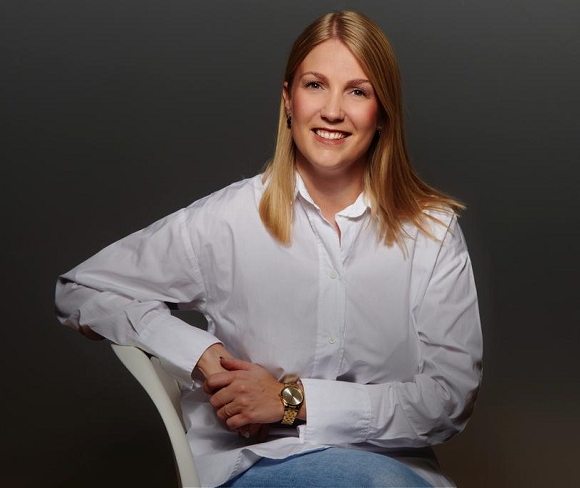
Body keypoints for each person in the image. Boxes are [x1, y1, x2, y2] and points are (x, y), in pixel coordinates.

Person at [55, 10, 482, 487]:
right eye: (315, 85)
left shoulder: (432, 232)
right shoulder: (227, 220)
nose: (333, 110)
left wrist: (290, 400)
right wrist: (200, 353)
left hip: (397, 467)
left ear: (382, 112)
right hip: (261, 460)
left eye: (357, 91)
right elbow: (80, 290)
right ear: (288, 100)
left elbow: (448, 399)